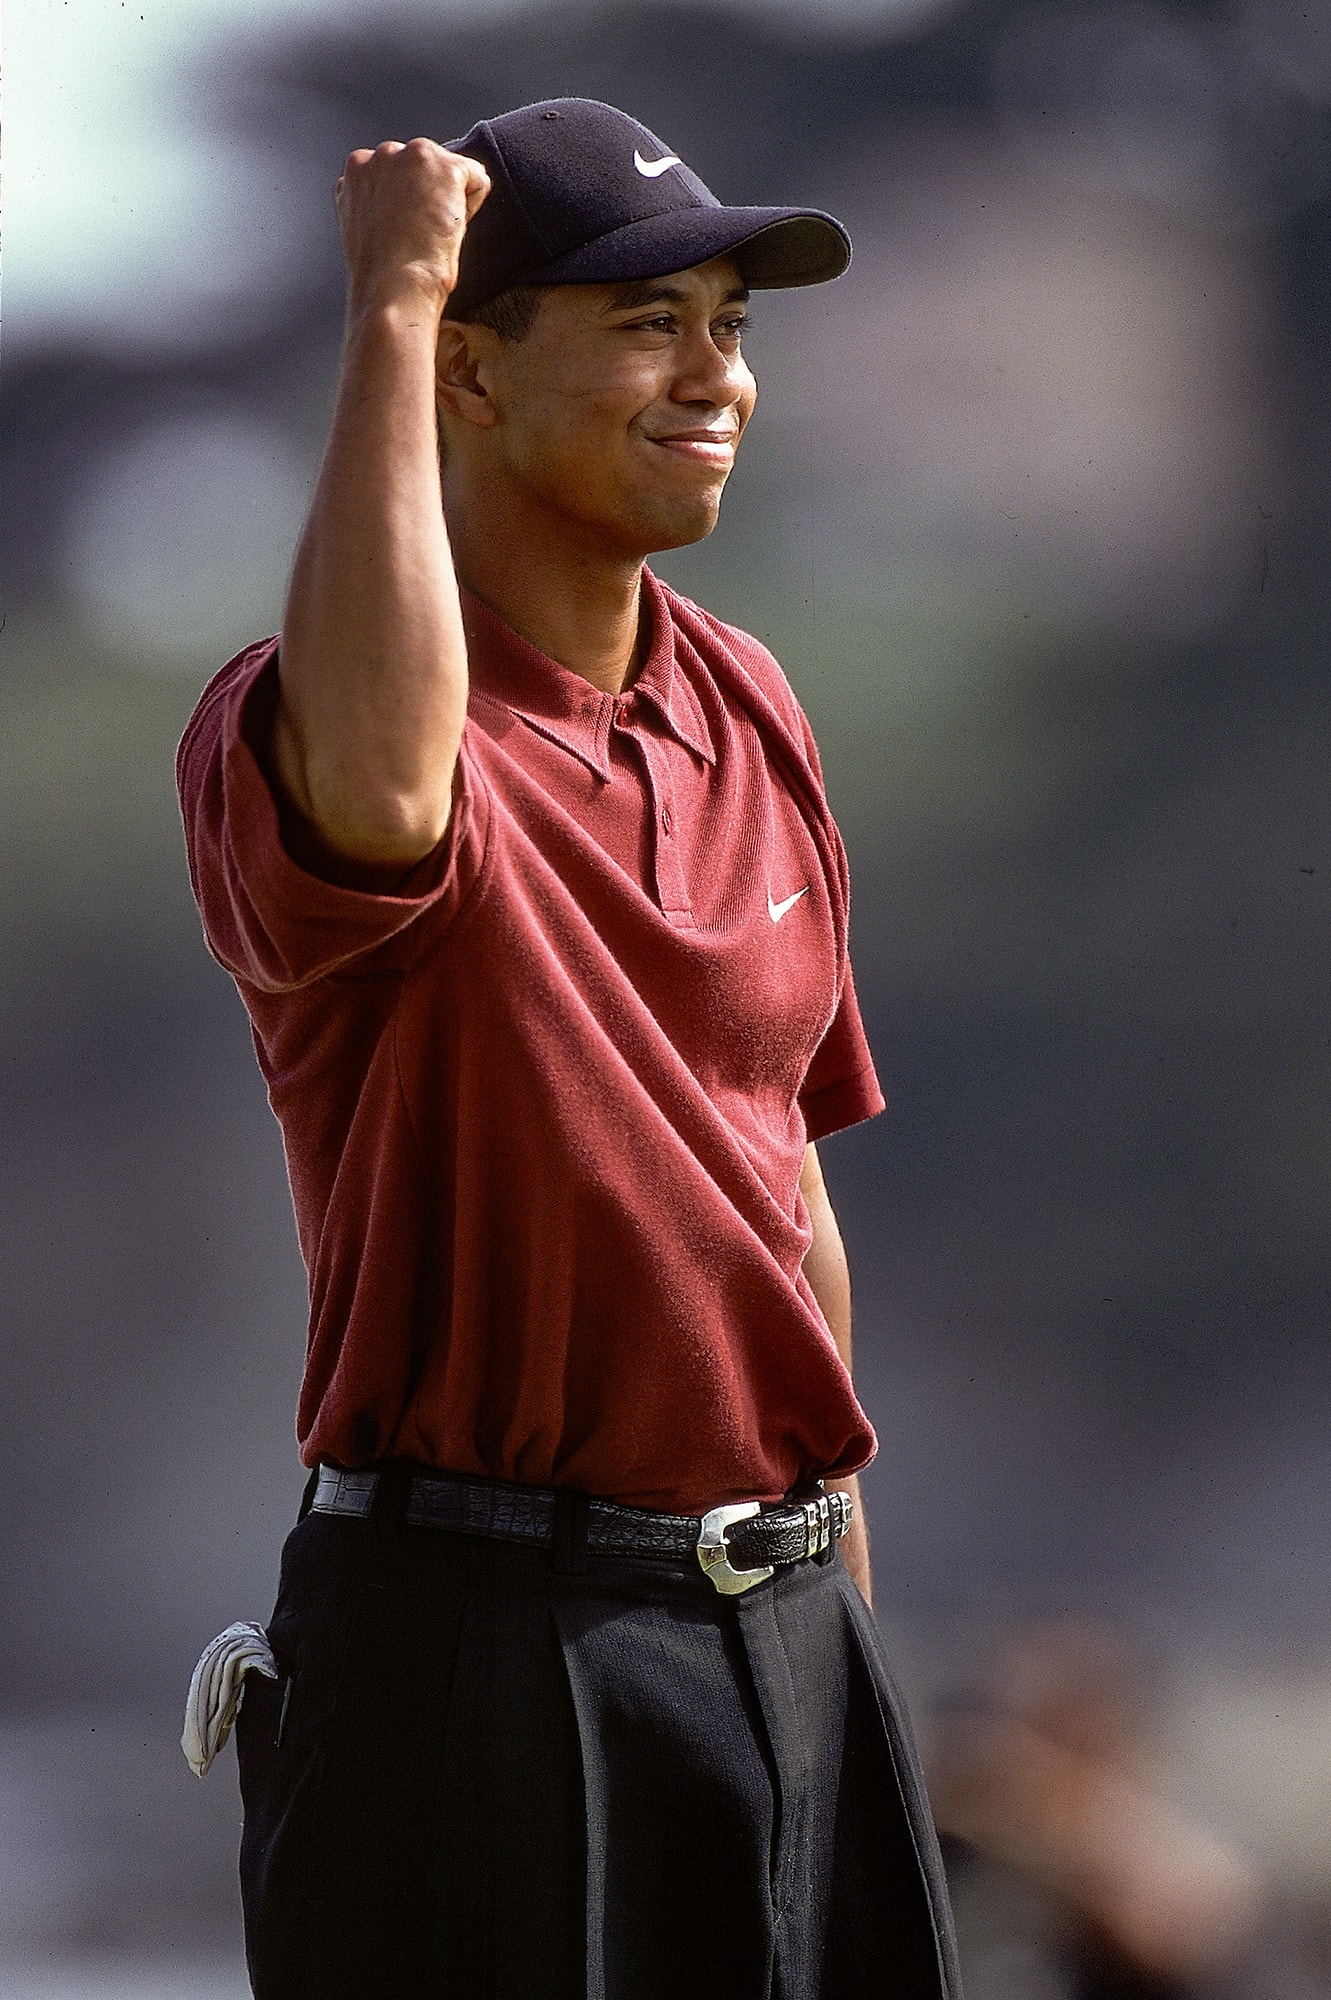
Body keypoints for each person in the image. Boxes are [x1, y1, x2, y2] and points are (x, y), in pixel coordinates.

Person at [177, 96, 960, 2000]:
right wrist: (389, 302)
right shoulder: (312, 724)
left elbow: (782, 1171)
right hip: (475, 1645)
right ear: (469, 370)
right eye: (645, 324)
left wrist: (838, 1628)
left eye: (729, 327)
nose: (716, 378)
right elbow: (388, 782)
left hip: (782, 1641)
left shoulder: (747, 700)